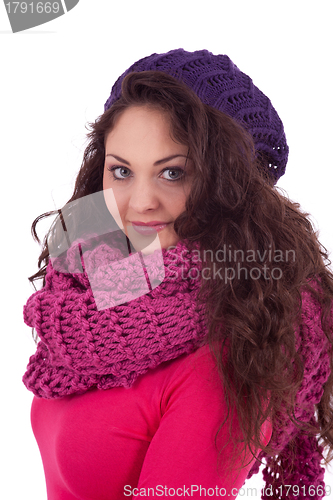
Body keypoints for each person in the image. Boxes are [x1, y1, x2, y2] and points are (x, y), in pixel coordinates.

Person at [23, 49, 333, 499]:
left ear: (229, 186)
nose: (139, 202)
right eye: (122, 170)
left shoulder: (229, 353)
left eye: (173, 172)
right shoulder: (84, 298)